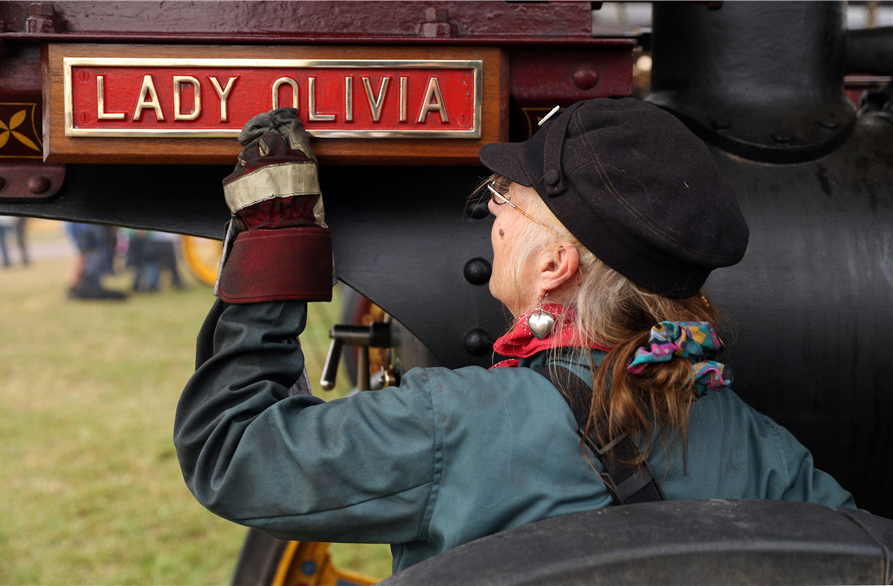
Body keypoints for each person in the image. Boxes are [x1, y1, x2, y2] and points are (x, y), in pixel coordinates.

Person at [174, 100, 856, 574]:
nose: (493, 218)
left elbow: (234, 453)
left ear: (555, 265)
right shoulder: (760, 447)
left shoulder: (456, 422)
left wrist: (276, 242)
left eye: (506, 199)